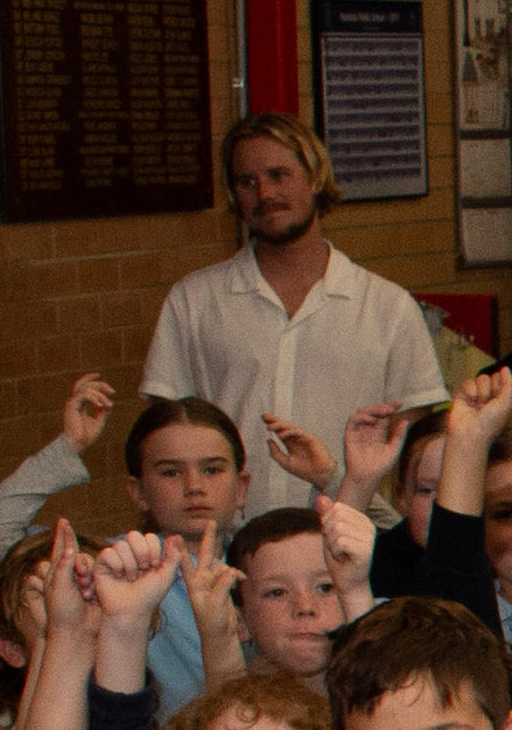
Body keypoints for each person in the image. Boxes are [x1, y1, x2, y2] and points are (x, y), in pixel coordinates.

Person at [139, 116, 450, 521]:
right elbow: (165, 438)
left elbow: (414, 452)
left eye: (278, 175)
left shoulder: (387, 307)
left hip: (357, 533)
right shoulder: (194, 300)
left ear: (316, 177)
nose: (264, 193)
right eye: (247, 182)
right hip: (231, 541)